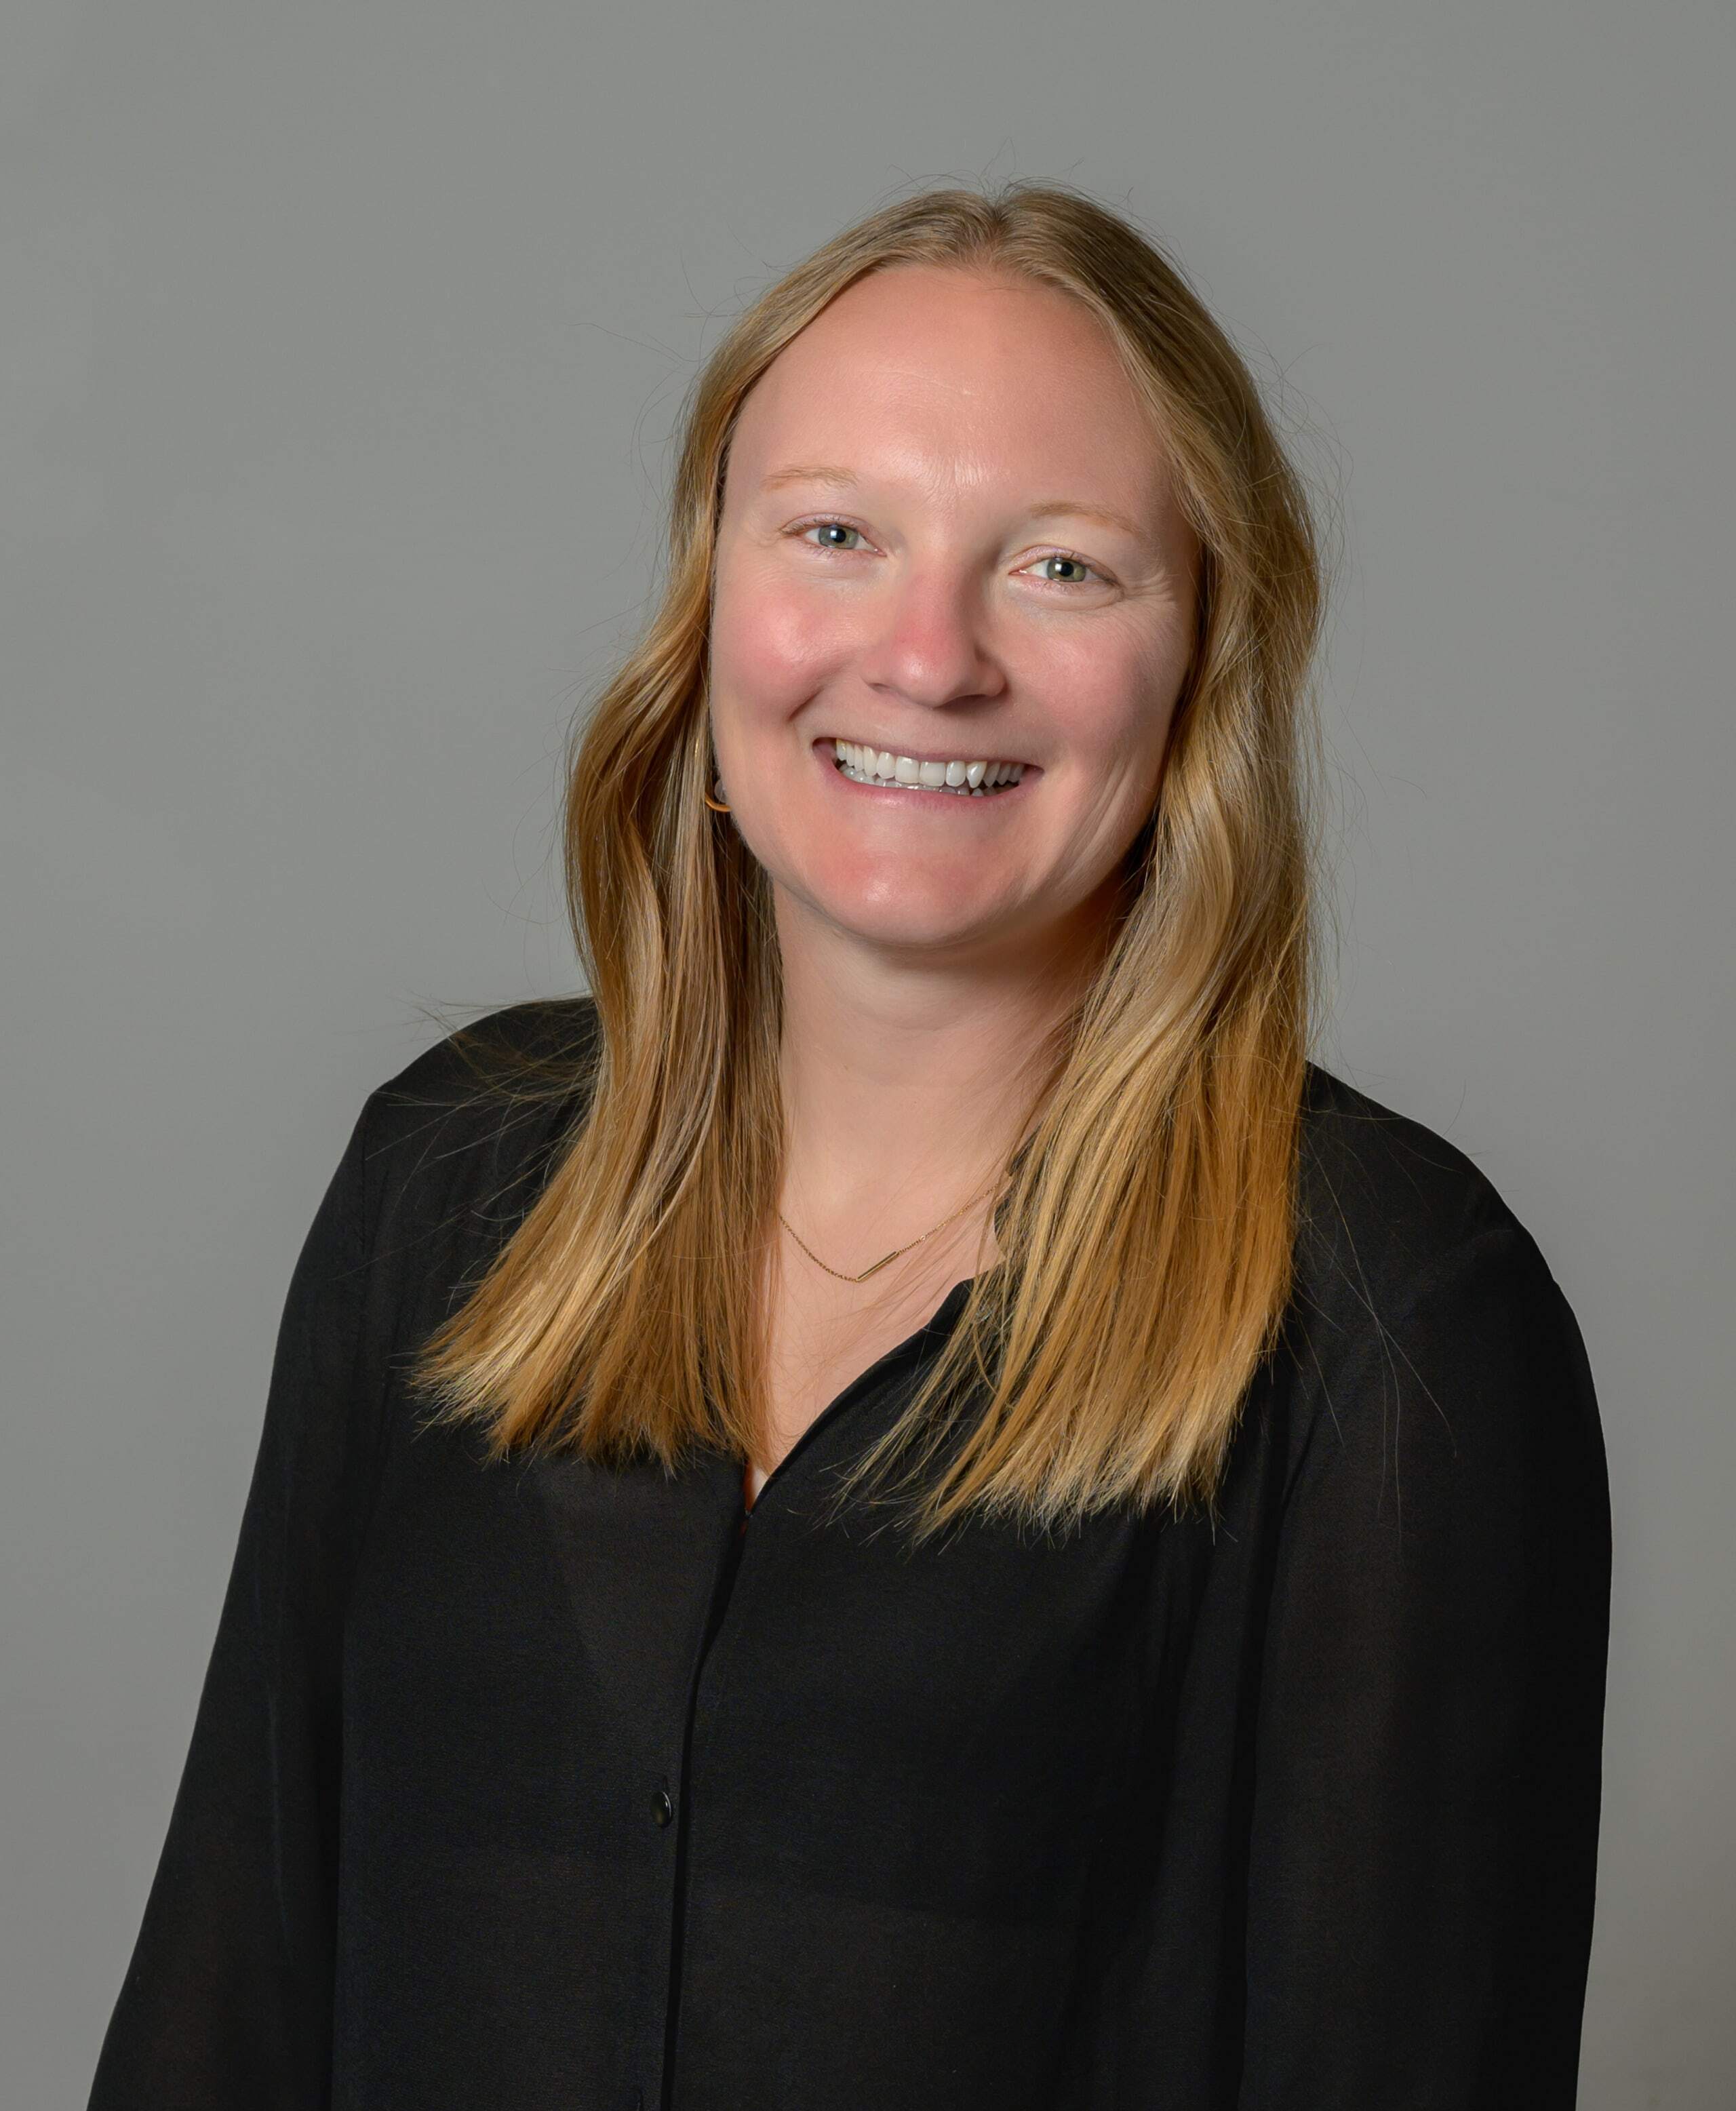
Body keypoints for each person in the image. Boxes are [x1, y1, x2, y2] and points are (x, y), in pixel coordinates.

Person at [87, 181, 1613, 2110]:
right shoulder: (448, 1183)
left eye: (1061, 567)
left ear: (1205, 657)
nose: (926, 653)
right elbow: (223, 2008)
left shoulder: (1390, 1315)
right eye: (834, 532)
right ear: (710, 594)